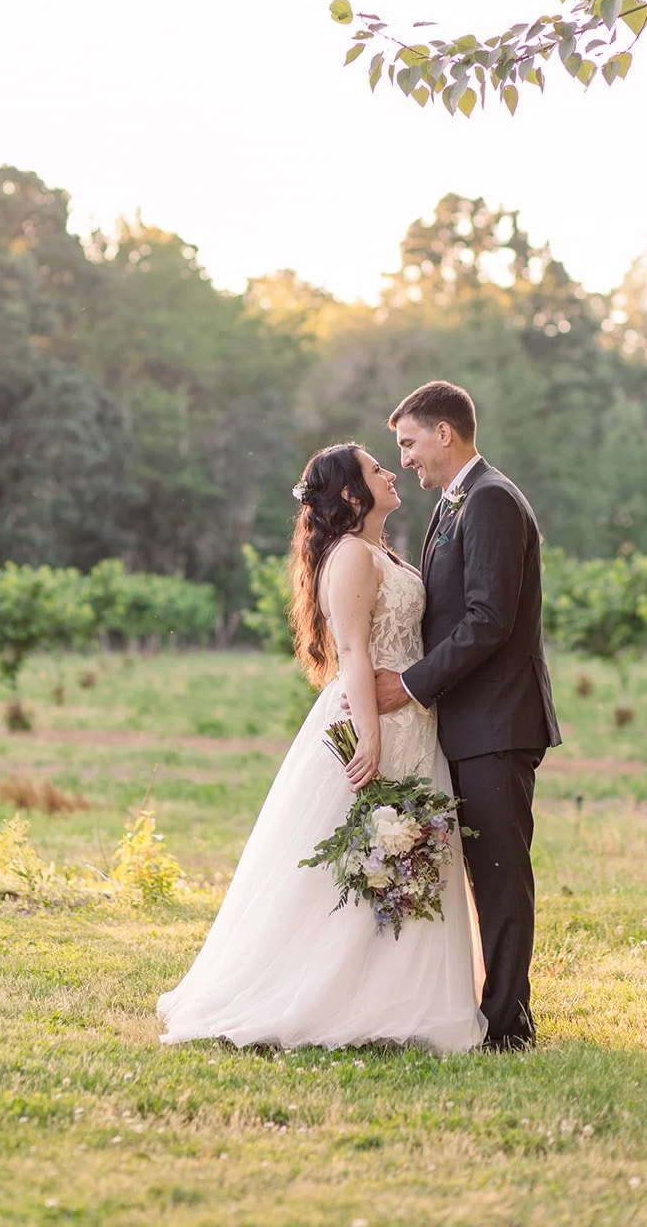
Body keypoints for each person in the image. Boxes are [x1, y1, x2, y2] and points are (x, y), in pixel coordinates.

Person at [157, 442, 486, 1053]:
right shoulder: (352, 556)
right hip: (374, 720)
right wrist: (370, 736)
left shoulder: (379, 551)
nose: (391, 473)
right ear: (352, 494)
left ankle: (399, 995)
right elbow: (355, 652)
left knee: (407, 853)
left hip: (412, 719)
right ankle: (329, 995)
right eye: (376, 470)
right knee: (364, 850)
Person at [370, 380, 562, 1052]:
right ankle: (488, 1008)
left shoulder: (491, 501)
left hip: (498, 723)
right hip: (470, 722)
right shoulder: (455, 503)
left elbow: (487, 620)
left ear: (443, 433)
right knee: (481, 870)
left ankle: (508, 1025)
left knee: (501, 875)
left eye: (409, 442)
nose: (405, 458)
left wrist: (410, 685)